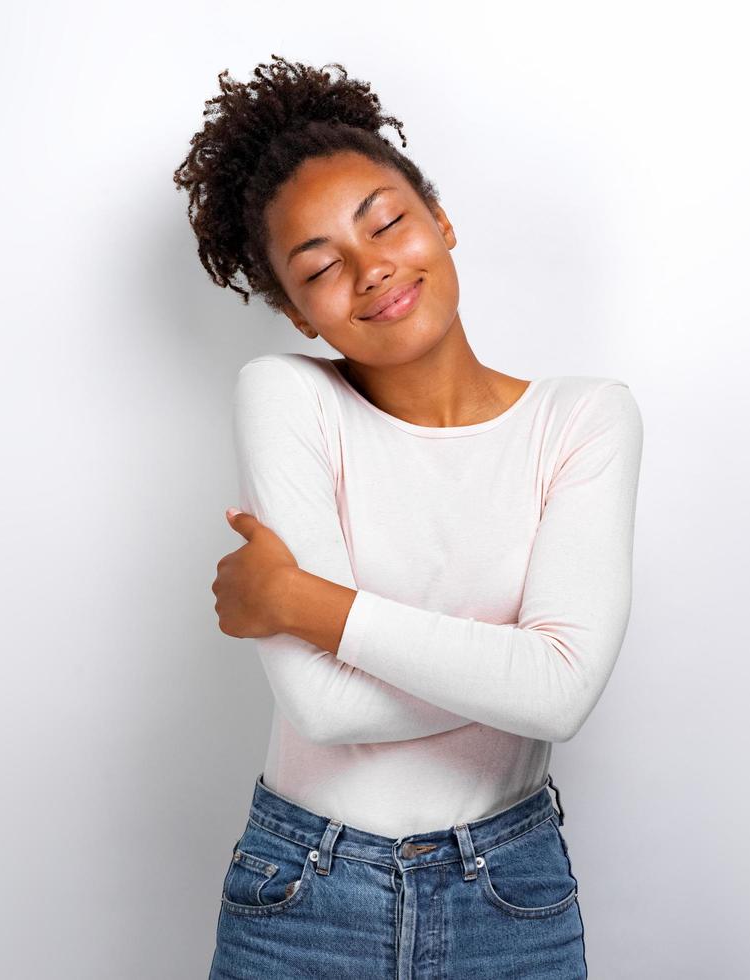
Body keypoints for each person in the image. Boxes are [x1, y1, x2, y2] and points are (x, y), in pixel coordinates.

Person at [173, 58, 643, 979]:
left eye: (387, 222)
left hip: (511, 893)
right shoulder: (285, 395)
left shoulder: (583, 418)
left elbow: (561, 694)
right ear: (297, 313)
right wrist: (514, 661)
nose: (372, 267)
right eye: (319, 267)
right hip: (304, 894)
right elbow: (322, 704)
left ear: (441, 220)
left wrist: (304, 603)